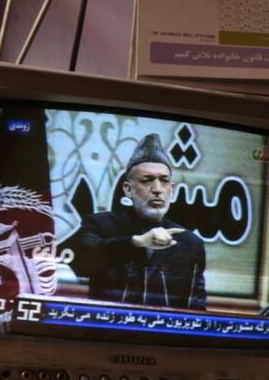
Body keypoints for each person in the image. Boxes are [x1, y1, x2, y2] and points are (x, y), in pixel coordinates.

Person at [72, 133, 207, 311]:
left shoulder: (190, 243)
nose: (158, 189)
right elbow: (82, 264)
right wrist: (137, 242)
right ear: (128, 189)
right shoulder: (101, 224)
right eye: (147, 180)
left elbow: (196, 307)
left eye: (164, 181)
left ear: (172, 190)